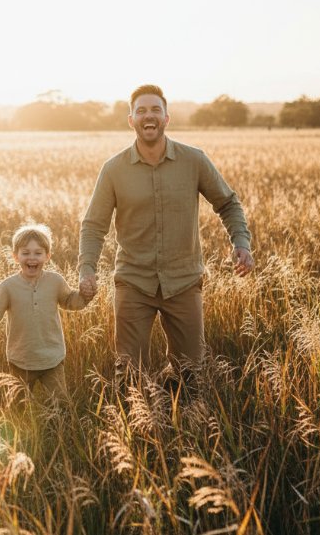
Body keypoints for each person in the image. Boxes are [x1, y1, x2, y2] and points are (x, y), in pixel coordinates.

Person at [78, 85, 253, 389]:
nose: (149, 116)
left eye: (155, 109)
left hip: (183, 281)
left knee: (193, 375)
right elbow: (94, 225)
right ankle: (136, 431)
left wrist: (241, 243)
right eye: (141, 110)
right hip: (133, 281)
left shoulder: (194, 160)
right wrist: (86, 267)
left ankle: (190, 430)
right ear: (131, 119)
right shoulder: (114, 169)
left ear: (166, 118)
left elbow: (228, 203)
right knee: (129, 375)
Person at [0, 223, 94, 401]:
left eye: (38, 253)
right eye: (25, 253)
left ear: (47, 256)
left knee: (60, 404)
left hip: (52, 359)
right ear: (15, 256)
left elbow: (70, 301)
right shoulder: (8, 286)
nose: (32, 258)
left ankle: (56, 428)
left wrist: (84, 296)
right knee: (17, 407)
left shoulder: (55, 281)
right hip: (21, 360)